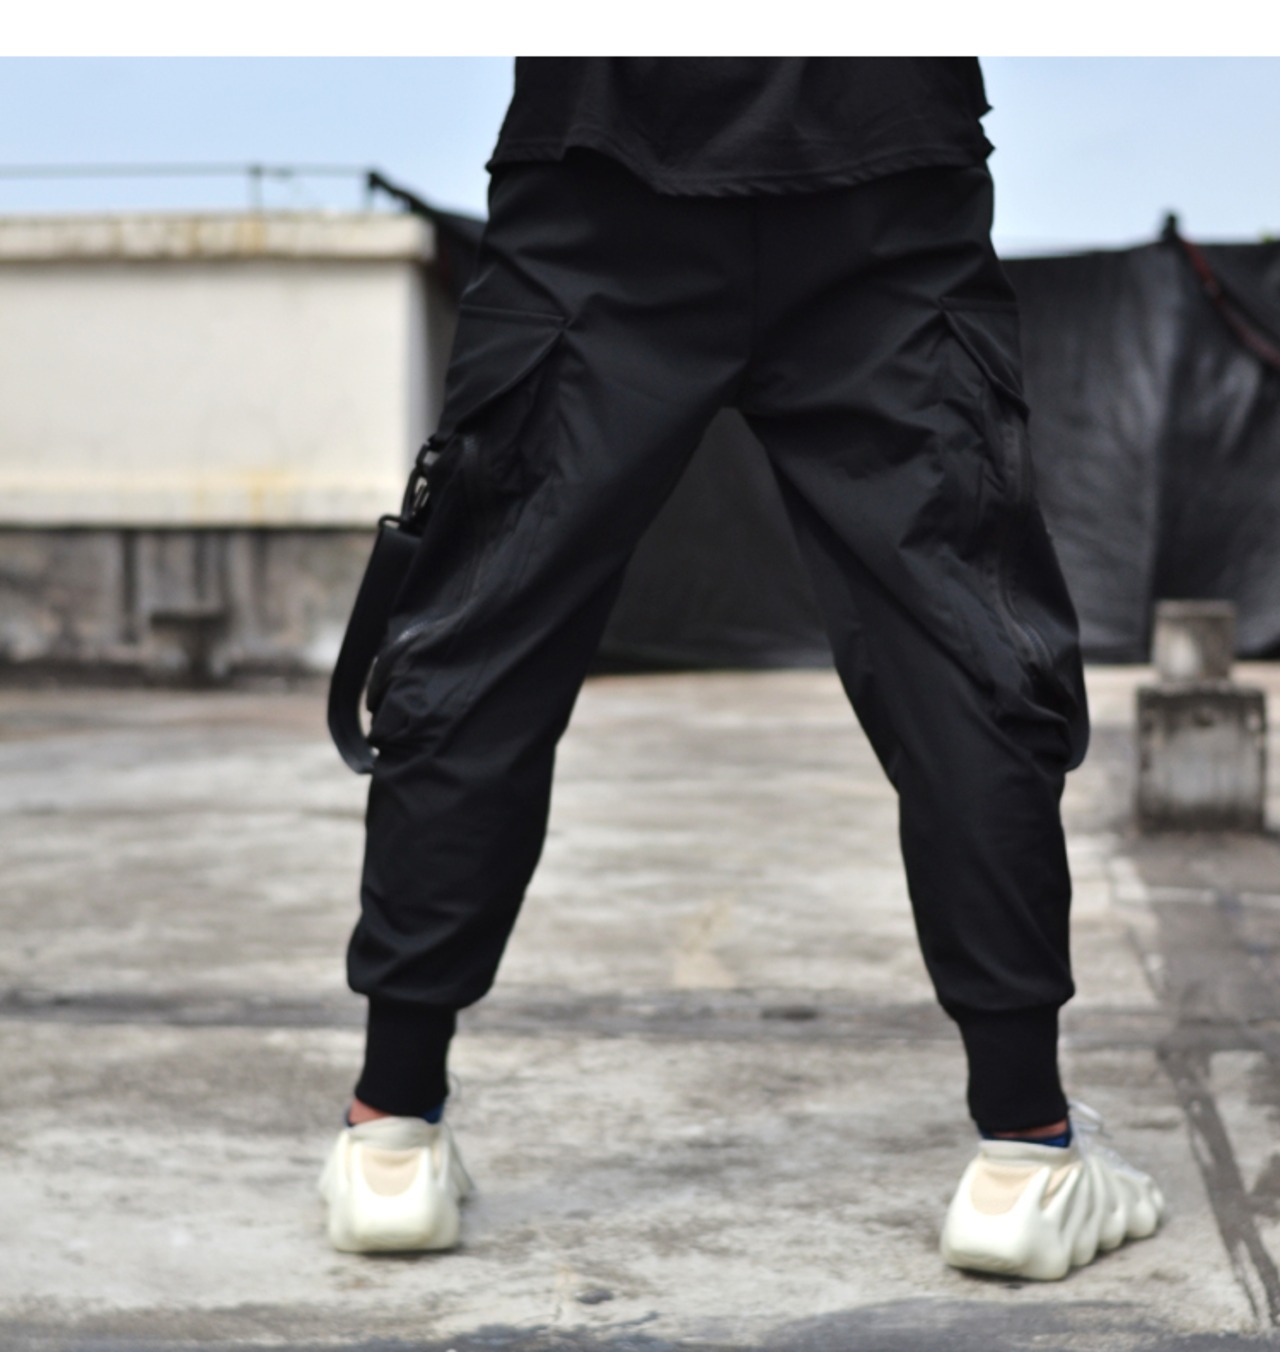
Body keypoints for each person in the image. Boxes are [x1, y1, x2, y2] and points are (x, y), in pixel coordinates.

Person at [319, 57, 1164, 1279]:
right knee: (958, 643)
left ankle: (389, 1134)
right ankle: (1024, 1155)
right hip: (879, 162)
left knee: (483, 636)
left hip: (601, 167)